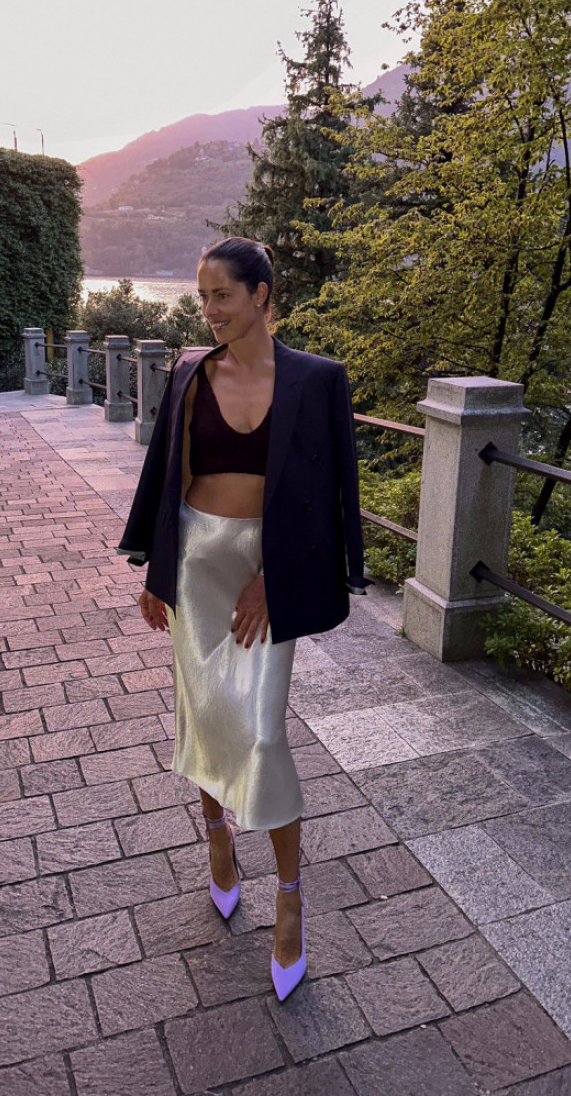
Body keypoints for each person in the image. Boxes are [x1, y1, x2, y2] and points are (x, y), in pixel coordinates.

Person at [118, 236, 369, 1001]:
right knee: (205, 713)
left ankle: (290, 894)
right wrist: (157, 571)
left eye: (221, 295)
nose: (209, 310)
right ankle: (217, 838)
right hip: (197, 563)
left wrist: (273, 577)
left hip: (267, 567)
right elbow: (166, 474)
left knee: (261, 730)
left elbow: (329, 494)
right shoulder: (192, 372)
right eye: (202, 297)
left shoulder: (317, 380)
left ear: (262, 295)